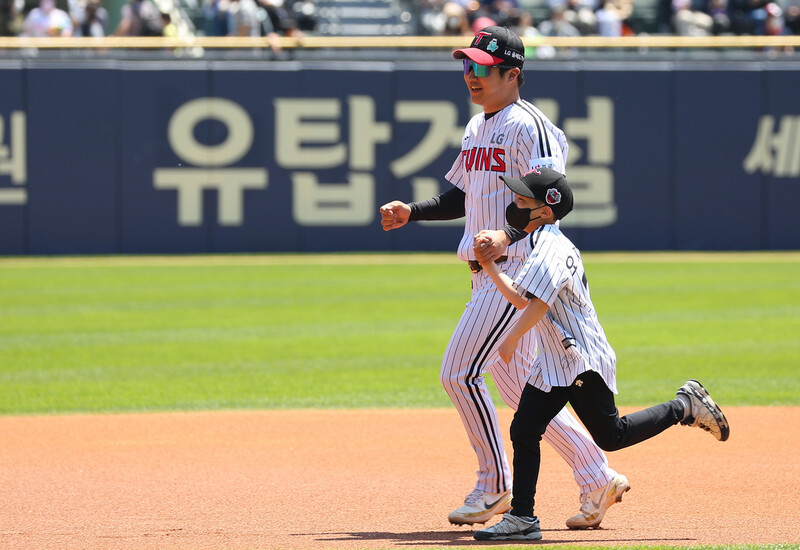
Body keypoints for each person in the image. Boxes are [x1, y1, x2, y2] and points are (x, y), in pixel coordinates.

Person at [379, 25, 629, 530]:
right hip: (489, 273)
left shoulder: (529, 126)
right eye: (466, 65)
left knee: (459, 372)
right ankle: (595, 474)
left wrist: (508, 238)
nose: (470, 75)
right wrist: (414, 211)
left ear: (512, 74)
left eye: (481, 68)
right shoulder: (477, 126)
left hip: (520, 271)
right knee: (519, 393)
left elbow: (546, 196)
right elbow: (459, 197)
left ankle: (495, 484)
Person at [471, 167, 730, 541]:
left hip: (580, 358)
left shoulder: (551, 247)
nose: (515, 204)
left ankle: (684, 406)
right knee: (525, 428)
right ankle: (523, 519)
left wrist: (510, 340)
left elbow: (539, 305)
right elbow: (523, 297)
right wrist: (491, 267)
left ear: (546, 210)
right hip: (555, 359)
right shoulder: (540, 241)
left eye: (523, 200)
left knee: (611, 435)